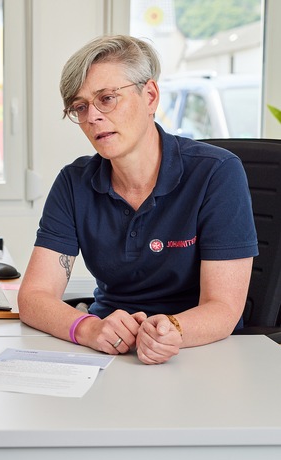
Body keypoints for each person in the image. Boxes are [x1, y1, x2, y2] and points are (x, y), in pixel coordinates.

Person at [18, 35, 258, 365]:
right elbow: (34, 297)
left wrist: (172, 329)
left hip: (198, 349)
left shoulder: (217, 172)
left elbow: (224, 308)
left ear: (150, 96)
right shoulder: (74, 182)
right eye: (80, 106)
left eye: (107, 98)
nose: (92, 117)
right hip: (107, 348)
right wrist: (89, 329)